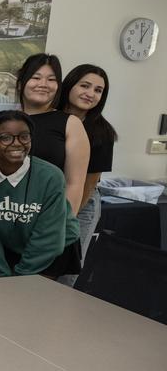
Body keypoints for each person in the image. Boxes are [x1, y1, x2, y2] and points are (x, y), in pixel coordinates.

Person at [0, 111, 80, 279]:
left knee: (38, 302)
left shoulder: (51, 176)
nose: (16, 144)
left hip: (52, 248)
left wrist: (21, 277)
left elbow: (48, 238)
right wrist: (0, 275)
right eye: (6, 137)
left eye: (24, 137)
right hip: (7, 247)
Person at [15, 54, 89, 215]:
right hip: (4, 215)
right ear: (21, 83)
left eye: (51, 79)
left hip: (48, 219)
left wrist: (63, 227)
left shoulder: (70, 124)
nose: (43, 84)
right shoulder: (4, 121)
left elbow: (74, 184)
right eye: (36, 77)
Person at [57, 64, 116, 256]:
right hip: (48, 199)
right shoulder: (50, 119)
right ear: (70, 85)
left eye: (98, 90)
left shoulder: (102, 132)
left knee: (67, 268)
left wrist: (68, 219)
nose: (90, 93)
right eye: (85, 86)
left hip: (82, 203)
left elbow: (89, 183)